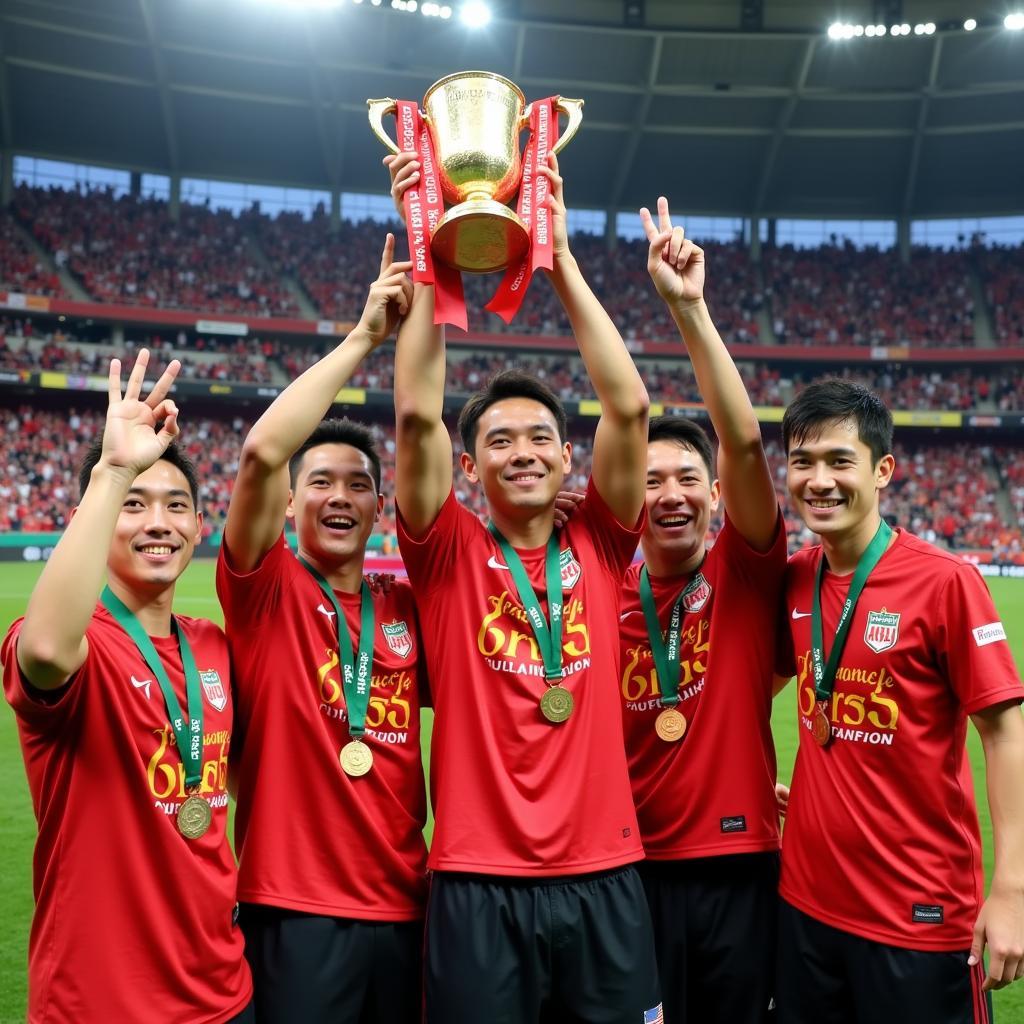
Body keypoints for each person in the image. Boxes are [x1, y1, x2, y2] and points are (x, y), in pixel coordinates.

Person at [386, 149, 661, 1023]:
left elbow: (631, 410)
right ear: (468, 468)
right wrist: (430, 241)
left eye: (541, 437)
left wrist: (562, 258)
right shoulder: (446, 550)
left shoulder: (604, 539)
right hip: (475, 878)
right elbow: (416, 413)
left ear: (567, 456)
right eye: (499, 442)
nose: (524, 452)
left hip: (606, 871)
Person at [2, 350, 253, 1023]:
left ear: (199, 526)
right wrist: (113, 470)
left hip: (225, 994)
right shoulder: (77, 647)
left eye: (177, 505)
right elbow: (49, 650)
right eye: (134, 505)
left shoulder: (212, 645)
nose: (158, 523)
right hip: (102, 1002)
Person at [215, 238, 428, 1023]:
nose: (340, 497)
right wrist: (365, 335)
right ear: (292, 503)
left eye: (359, 486)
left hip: (408, 902)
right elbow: (262, 451)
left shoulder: (405, 609)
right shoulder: (263, 587)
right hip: (294, 906)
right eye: (321, 484)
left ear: (380, 509)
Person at [775, 378, 1024, 1024]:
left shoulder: (947, 582)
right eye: (802, 462)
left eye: (839, 461)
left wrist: (1012, 891)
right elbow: (750, 691)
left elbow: (1005, 733)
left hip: (919, 916)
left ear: (882, 470)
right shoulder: (797, 577)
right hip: (806, 908)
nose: (819, 480)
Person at [615, 198, 787, 1023]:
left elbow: (748, 444)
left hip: (739, 860)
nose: (671, 495)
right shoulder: (591, 590)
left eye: (688, 478)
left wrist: (690, 310)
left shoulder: (747, 573)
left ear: (718, 496)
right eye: (650, 481)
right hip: (624, 866)